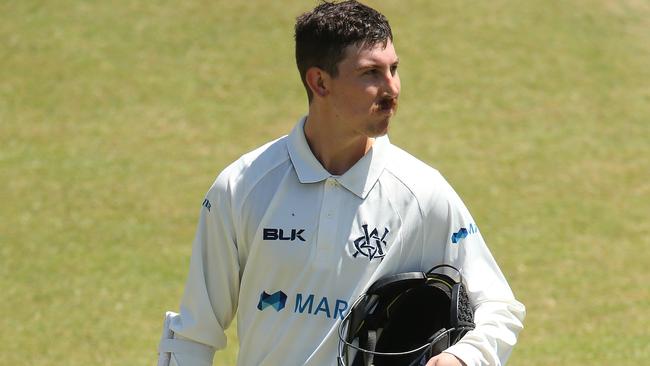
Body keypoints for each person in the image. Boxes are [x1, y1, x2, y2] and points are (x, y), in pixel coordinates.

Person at [157, 1, 525, 365]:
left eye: (394, 69)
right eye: (370, 74)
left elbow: (498, 305)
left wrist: (465, 357)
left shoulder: (422, 194)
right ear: (319, 81)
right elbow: (193, 333)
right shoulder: (242, 187)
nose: (391, 88)